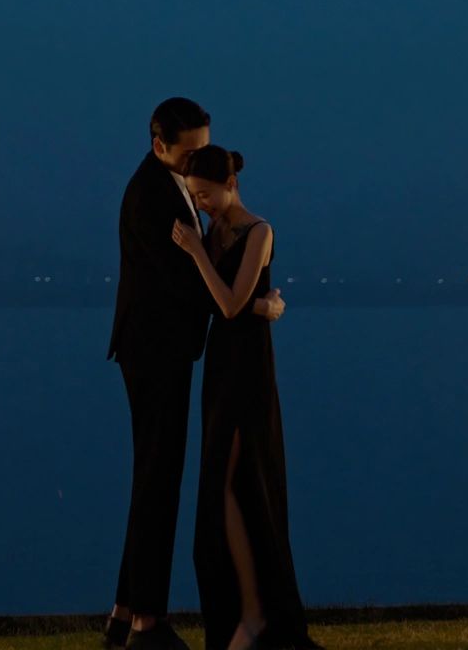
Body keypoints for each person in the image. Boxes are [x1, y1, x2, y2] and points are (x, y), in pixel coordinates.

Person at [106, 100, 285, 650]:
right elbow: (186, 284)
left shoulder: (168, 185)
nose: (198, 162)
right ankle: (147, 623)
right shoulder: (153, 196)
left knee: (153, 477)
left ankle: (125, 612)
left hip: (158, 350)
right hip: (154, 353)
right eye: (188, 153)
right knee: (158, 480)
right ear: (159, 145)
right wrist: (254, 306)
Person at [172, 145, 318, 650]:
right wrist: (259, 301)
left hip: (249, 364)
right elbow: (218, 300)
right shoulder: (214, 231)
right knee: (224, 483)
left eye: (207, 195)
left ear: (229, 185)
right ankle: (247, 610)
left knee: (242, 476)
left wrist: (197, 254)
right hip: (221, 362)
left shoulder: (260, 231)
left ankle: (258, 615)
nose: (204, 205)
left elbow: (229, 303)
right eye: (197, 198)